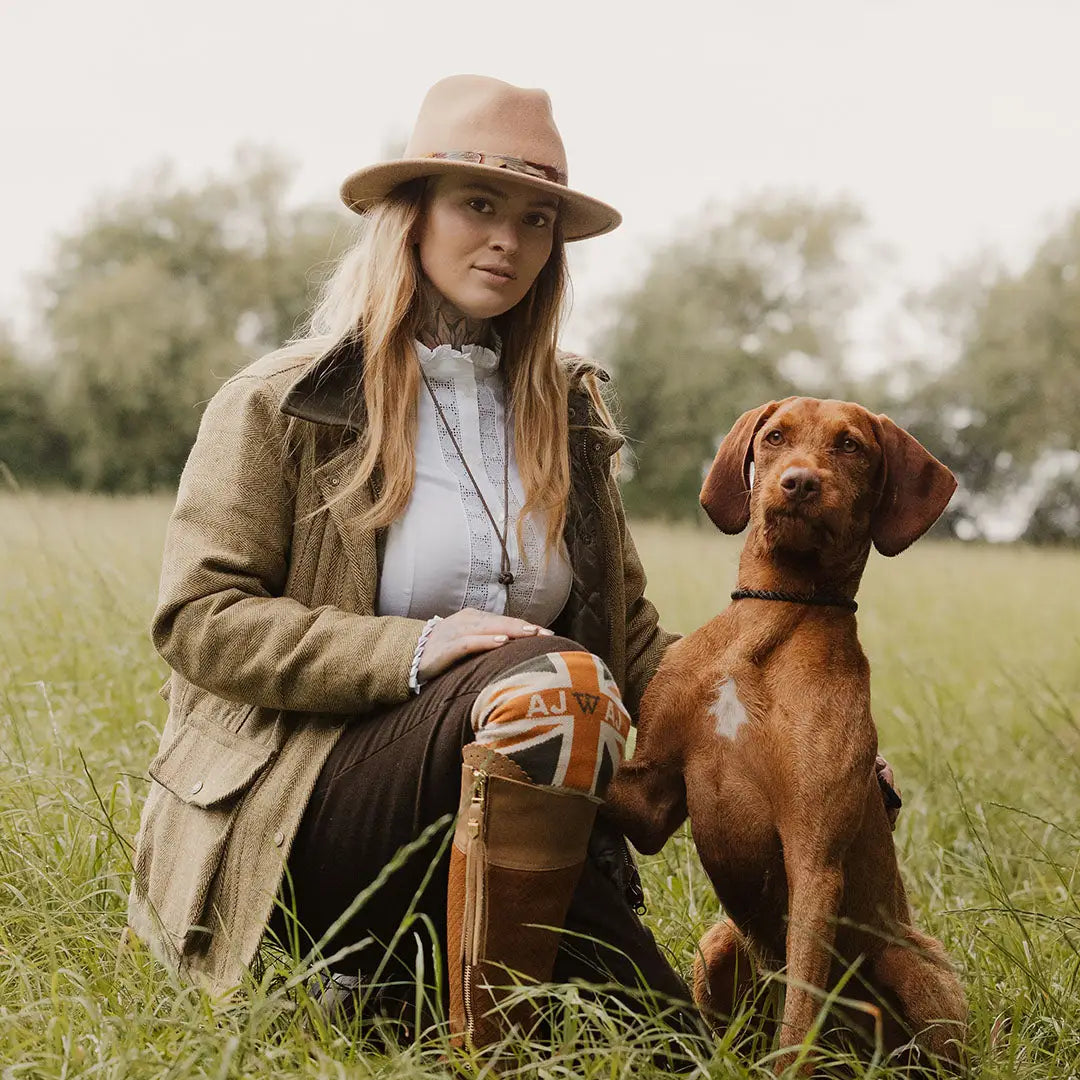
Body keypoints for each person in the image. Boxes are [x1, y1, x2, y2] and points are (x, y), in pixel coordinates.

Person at [127, 73, 899, 1050]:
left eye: (537, 218)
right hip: (314, 802)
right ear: (411, 216)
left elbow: (637, 642)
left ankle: (401, 992)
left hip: (522, 813)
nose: (508, 238)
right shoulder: (282, 401)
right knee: (554, 686)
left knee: (672, 1056)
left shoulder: (565, 416)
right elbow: (199, 618)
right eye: (479, 204)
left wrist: (798, 744)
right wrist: (420, 648)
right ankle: (472, 1049)